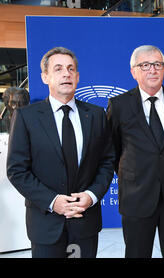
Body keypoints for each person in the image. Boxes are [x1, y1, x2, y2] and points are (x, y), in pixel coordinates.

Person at [6, 47, 115, 258]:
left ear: (77, 76)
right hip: (45, 225)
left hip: (86, 222)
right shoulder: (26, 117)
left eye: (70, 69)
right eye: (58, 69)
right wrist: (52, 201)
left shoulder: (96, 115)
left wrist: (91, 196)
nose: (66, 73)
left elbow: (107, 162)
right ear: (45, 77)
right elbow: (17, 170)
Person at [107, 45, 164, 258]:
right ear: (133, 71)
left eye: (157, 65)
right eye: (145, 65)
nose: (152, 70)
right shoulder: (119, 105)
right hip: (136, 197)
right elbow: (112, 149)